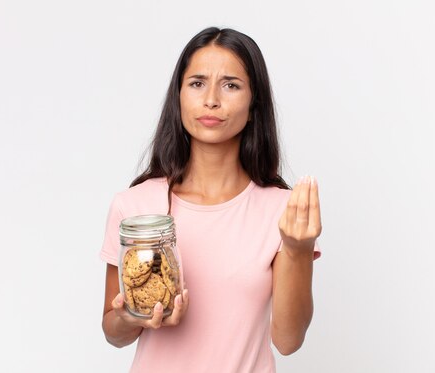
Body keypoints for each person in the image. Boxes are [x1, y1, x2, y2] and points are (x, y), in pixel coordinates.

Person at [100, 26, 322, 373]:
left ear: (253, 106)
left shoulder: (282, 211)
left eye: (231, 85)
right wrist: (133, 314)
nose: (211, 99)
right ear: (179, 97)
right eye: (197, 83)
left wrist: (298, 249)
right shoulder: (136, 207)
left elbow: (288, 340)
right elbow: (113, 333)